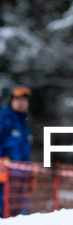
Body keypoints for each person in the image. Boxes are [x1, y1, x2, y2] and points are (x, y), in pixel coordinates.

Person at [0, 86, 33, 217]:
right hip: (3, 177)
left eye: (24, 100)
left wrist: (29, 172)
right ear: (11, 101)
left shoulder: (24, 124)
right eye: (18, 99)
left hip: (20, 176)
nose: (21, 103)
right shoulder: (4, 119)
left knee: (18, 212)